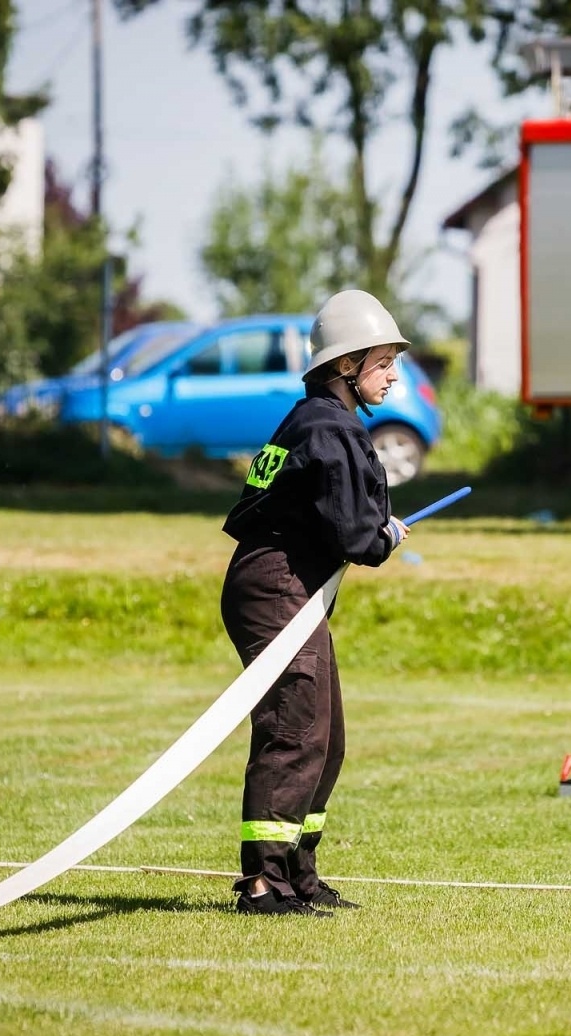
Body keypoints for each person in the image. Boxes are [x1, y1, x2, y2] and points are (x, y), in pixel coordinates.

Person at [220, 289, 412, 917]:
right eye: (383, 362)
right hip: (276, 588)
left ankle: (300, 874)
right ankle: (262, 883)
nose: (393, 375)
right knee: (295, 730)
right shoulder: (330, 428)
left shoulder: (316, 422)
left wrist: (372, 527)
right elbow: (358, 537)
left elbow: (338, 516)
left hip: (285, 587)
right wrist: (383, 534)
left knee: (326, 739)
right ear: (345, 365)